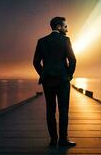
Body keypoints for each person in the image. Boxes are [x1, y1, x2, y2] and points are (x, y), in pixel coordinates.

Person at [33, 16, 77, 147]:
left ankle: (53, 140)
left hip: (48, 81)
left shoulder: (42, 41)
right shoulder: (65, 40)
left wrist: (44, 74)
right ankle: (63, 140)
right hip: (63, 80)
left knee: (50, 110)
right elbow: (73, 60)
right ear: (58, 27)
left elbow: (35, 62)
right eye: (65, 26)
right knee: (63, 110)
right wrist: (68, 75)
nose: (67, 30)